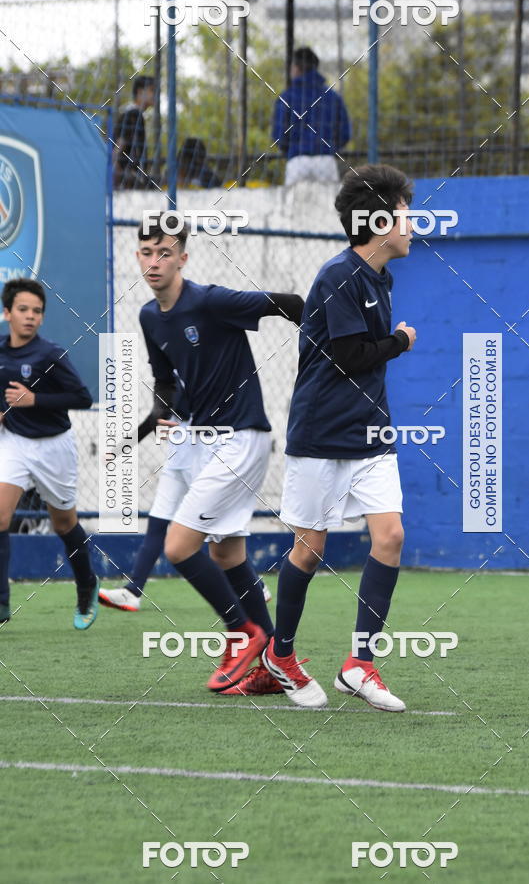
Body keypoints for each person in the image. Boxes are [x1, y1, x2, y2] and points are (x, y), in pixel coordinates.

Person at [262, 165, 417, 711]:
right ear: (378, 221)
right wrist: (400, 341)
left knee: (391, 536)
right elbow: (351, 359)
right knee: (310, 550)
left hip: (371, 433)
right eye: (403, 212)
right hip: (322, 433)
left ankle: (360, 663)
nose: (411, 221)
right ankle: (280, 655)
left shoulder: (382, 278)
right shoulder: (337, 277)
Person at [132, 214, 304, 694]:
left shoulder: (210, 301)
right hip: (205, 441)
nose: (154, 261)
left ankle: (241, 631)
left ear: (183, 258)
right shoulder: (150, 316)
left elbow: (286, 304)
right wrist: (164, 412)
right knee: (226, 552)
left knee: (178, 547)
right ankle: (272, 658)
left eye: (165, 252)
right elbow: (165, 379)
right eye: (146, 252)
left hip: (241, 437)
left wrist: (328, 345)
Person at [98, 384, 272, 613]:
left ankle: (256, 587)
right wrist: (121, 448)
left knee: (219, 534)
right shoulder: (168, 373)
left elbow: (181, 408)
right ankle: (132, 592)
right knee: (157, 525)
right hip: (175, 463)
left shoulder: (196, 369)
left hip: (203, 460)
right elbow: (156, 417)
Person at [0, 279, 98, 629]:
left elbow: (82, 398)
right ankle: (1, 604)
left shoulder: (50, 354)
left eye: (37, 311)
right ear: (7, 312)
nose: (30, 317)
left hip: (54, 446)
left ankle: (86, 582)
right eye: (23, 310)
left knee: (63, 523)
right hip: (14, 444)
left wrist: (34, 400)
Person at [272, 47, 350, 187]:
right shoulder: (333, 97)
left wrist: (291, 150)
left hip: (297, 160)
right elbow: (345, 134)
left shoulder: (286, 97)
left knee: (294, 207)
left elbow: (279, 136)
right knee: (328, 206)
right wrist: (330, 148)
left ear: (296, 68)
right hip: (326, 160)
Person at [113, 75, 155, 190]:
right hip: (127, 180)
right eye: (152, 90)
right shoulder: (134, 114)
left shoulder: (133, 113)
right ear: (140, 92)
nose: (155, 95)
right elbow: (119, 144)